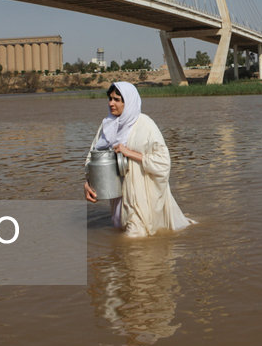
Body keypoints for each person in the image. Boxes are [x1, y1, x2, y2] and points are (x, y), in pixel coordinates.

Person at [83, 82, 193, 237]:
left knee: (134, 239)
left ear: (128, 102)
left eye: (116, 99)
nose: (111, 103)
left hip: (141, 195)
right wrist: (89, 183)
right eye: (110, 98)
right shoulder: (107, 125)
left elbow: (163, 161)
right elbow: (92, 158)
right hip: (118, 196)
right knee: (122, 230)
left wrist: (129, 153)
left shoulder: (145, 125)